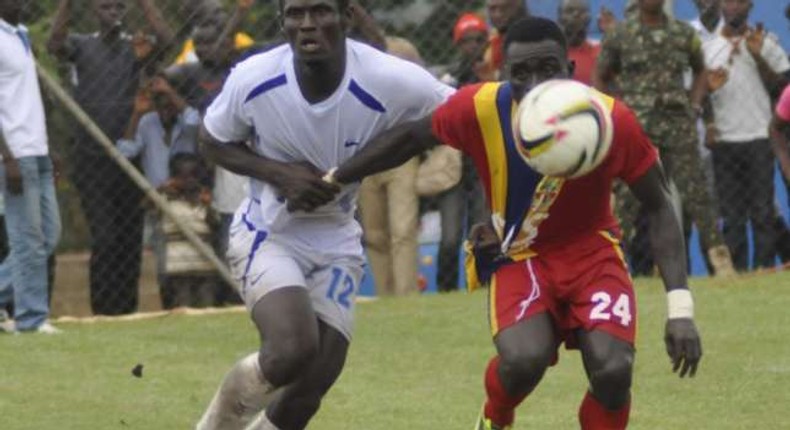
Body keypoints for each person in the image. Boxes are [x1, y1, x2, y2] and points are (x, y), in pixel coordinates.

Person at [329, 16, 703, 430]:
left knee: (613, 371)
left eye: (548, 69)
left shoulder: (610, 119)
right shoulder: (480, 107)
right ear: (505, 73)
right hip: (519, 254)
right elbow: (411, 138)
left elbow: (660, 205)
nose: (536, 82)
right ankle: (495, 417)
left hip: (593, 253)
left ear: (570, 70)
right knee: (525, 361)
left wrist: (681, 310)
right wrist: (335, 178)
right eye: (521, 73)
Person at [194, 0, 454, 428]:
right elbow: (212, 140)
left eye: (321, 12)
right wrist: (281, 175)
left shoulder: (385, 76)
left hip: (337, 239)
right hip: (268, 231)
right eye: (295, 14)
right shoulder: (255, 77)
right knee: (291, 350)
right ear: (282, 22)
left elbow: (458, 111)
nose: (307, 25)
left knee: (311, 386)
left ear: (347, 17)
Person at [47, 0, 174, 315]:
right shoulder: (82, 45)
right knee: (104, 237)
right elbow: (54, 44)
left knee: (130, 238)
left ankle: (126, 310)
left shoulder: (136, 47)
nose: (112, 11)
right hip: (91, 157)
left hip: (131, 156)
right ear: (94, 10)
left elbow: (168, 40)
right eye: (105, 6)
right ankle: (103, 309)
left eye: (119, 7)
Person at [594, 0, 735, 277]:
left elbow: (700, 71)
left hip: (677, 124)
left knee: (697, 195)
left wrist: (694, 105)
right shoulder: (620, 35)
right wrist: (608, 113)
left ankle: (722, 264)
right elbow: (600, 75)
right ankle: (607, 263)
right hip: (637, 127)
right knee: (626, 197)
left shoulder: (683, 34)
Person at [702, 0, 789, 270]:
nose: (733, 8)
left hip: (760, 137)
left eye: (739, 2)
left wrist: (758, 55)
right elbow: (698, 96)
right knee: (732, 218)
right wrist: (709, 120)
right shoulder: (709, 48)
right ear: (720, 7)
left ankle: (763, 268)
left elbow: (784, 89)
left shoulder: (767, 42)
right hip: (725, 142)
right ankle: (738, 274)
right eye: (728, 2)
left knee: (763, 213)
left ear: (750, 7)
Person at [0, 0, 62, 334]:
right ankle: (31, 318)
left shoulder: (21, 34)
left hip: (36, 148)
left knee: (49, 235)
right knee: (27, 239)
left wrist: (48, 147)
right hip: (14, 153)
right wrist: (7, 157)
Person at [116, 76, 200, 309]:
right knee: (164, 262)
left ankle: (199, 304)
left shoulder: (185, 121)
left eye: (168, 102)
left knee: (196, 258)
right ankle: (170, 305)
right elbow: (125, 151)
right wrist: (136, 113)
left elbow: (195, 122)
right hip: (160, 201)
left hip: (189, 202)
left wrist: (170, 92)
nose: (165, 109)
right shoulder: (147, 122)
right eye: (159, 102)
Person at [356, 36, 425, 296]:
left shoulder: (401, 48)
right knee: (373, 234)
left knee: (403, 229)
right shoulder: (343, 54)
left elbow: (422, 87)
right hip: (365, 156)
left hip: (401, 152)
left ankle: (406, 297)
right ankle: (386, 298)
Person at [434, 12, 490, 292]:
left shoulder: (496, 75)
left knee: (484, 232)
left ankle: (483, 287)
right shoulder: (448, 78)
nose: (473, 46)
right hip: (453, 167)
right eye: (467, 40)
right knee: (450, 237)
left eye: (479, 39)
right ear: (458, 44)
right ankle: (446, 293)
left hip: (485, 166)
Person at [158, 153, 217, 309]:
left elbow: (213, 223)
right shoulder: (167, 198)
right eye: (183, 177)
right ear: (174, 177)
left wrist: (208, 205)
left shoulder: (203, 198)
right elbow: (146, 205)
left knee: (206, 299)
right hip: (178, 260)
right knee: (183, 300)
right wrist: (162, 188)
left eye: (193, 176)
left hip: (203, 258)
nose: (189, 181)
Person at [559, 0, 601, 86]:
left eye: (582, 11)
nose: (576, 14)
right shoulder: (553, 55)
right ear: (560, 18)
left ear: (589, 18)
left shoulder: (601, 52)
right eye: (569, 11)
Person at [483, 0, 528, 77]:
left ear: (517, 7)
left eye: (505, 8)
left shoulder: (531, 39)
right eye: (493, 8)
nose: (498, 15)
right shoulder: (491, 42)